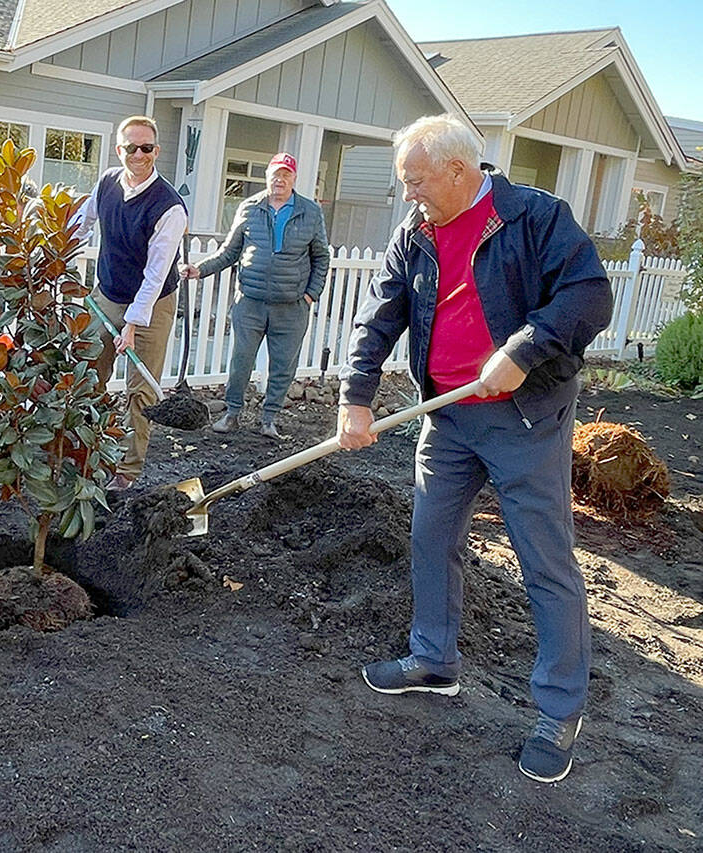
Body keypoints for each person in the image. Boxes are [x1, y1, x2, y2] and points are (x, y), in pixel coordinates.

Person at [336, 114, 613, 783]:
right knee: (431, 534)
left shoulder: (535, 217)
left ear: (459, 170)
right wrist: (355, 394)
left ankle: (559, 708)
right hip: (450, 415)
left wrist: (526, 347)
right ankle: (433, 657)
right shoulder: (418, 233)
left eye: (416, 181)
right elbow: (379, 314)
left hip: (525, 416)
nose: (410, 195)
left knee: (543, 559)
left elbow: (589, 295)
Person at [75, 115, 188, 490]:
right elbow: (80, 223)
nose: (138, 155)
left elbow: (155, 275)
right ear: (118, 149)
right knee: (89, 376)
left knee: (140, 390)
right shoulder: (107, 183)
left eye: (146, 148)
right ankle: (86, 453)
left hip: (153, 305)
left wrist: (134, 323)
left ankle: (127, 471)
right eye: (130, 147)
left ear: (156, 151)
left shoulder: (169, 207)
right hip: (107, 294)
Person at [181, 153, 329, 437]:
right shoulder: (249, 208)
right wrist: (199, 270)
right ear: (267, 176)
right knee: (241, 361)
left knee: (283, 366)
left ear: (294, 178)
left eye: (286, 174)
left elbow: (322, 256)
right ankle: (232, 413)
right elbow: (229, 252)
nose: (280, 179)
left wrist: (311, 294)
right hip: (250, 302)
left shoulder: (310, 212)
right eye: (275, 174)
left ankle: (269, 420)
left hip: (292, 306)